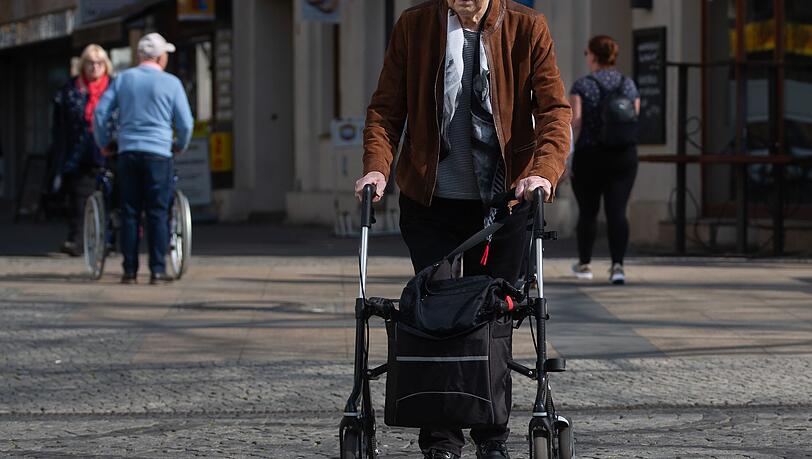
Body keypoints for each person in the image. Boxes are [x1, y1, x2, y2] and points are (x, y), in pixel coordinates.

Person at [355, 1, 571, 457]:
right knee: (437, 314)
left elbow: (554, 111)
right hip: (431, 203)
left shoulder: (526, 27)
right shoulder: (415, 26)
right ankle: (441, 439)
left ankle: (491, 434)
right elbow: (385, 111)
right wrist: (377, 168)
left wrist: (544, 173)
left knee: (494, 312)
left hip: (504, 204)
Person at [93, 33, 193, 285]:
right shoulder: (171, 83)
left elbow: (101, 113)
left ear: (140, 56)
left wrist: (105, 142)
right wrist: (179, 145)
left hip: (128, 151)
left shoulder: (123, 80)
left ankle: (129, 270)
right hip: (159, 152)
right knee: (158, 212)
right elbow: (185, 122)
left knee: (130, 211)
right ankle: (157, 270)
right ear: (160, 57)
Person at [569, 35, 640, 285]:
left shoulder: (582, 85)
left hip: (590, 155)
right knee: (617, 212)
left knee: (588, 212)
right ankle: (617, 267)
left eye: (586, 53)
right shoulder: (628, 85)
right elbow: (634, 117)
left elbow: (575, 122)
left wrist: (569, 155)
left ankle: (585, 264)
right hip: (623, 156)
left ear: (593, 56)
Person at [50, 44, 114, 256]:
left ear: (106, 66)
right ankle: (78, 240)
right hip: (78, 153)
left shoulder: (114, 89)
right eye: (90, 63)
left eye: (99, 63)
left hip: (108, 151)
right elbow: (60, 127)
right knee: (79, 198)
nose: (94, 67)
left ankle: (107, 241)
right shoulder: (70, 91)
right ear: (82, 66)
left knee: (109, 198)